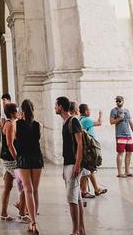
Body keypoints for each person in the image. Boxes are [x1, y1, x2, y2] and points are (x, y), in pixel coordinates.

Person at [55, 96, 86, 235]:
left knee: (71, 199)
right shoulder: (65, 122)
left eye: (56, 105)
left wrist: (77, 165)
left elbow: (80, 144)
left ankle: (75, 231)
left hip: (74, 164)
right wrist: (64, 168)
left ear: (61, 106)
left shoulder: (73, 121)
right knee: (77, 198)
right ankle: (81, 230)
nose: (55, 108)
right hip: (68, 163)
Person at [15, 99, 43, 234]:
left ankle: (32, 222)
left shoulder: (17, 124)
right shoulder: (38, 125)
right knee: (35, 190)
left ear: (22, 111)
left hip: (24, 158)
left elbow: (16, 140)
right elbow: (38, 139)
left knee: (28, 190)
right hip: (36, 157)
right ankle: (35, 220)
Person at [78, 103, 107, 198]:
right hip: (89, 148)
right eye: (89, 110)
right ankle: (84, 191)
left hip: (85, 148)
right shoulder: (86, 120)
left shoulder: (79, 119)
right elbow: (99, 123)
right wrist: (100, 115)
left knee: (89, 170)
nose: (90, 111)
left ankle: (96, 189)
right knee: (88, 170)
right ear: (86, 111)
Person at [110, 95, 133, 178]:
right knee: (120, 153)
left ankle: (127, 171)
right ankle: (119, 172)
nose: (118, 102)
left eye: (119, 101)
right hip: (120, 135)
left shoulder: (127, 111)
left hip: (128, 135)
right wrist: (120, 118)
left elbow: (130, 122)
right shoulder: (114, 111)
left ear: (123, 101)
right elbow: (111, 122)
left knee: (129, 152)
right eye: (117, 101)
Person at [0, 102, 18, 222]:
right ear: (12, 113)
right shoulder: (10, 124)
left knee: (8, 186)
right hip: (10, 159)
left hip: (5, 157)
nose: (18, 112)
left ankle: (4, 213)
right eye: (17, 110)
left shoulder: (7, 123)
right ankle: (22, 209)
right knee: (24, 185)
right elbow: (10, 144)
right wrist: (18, 158)